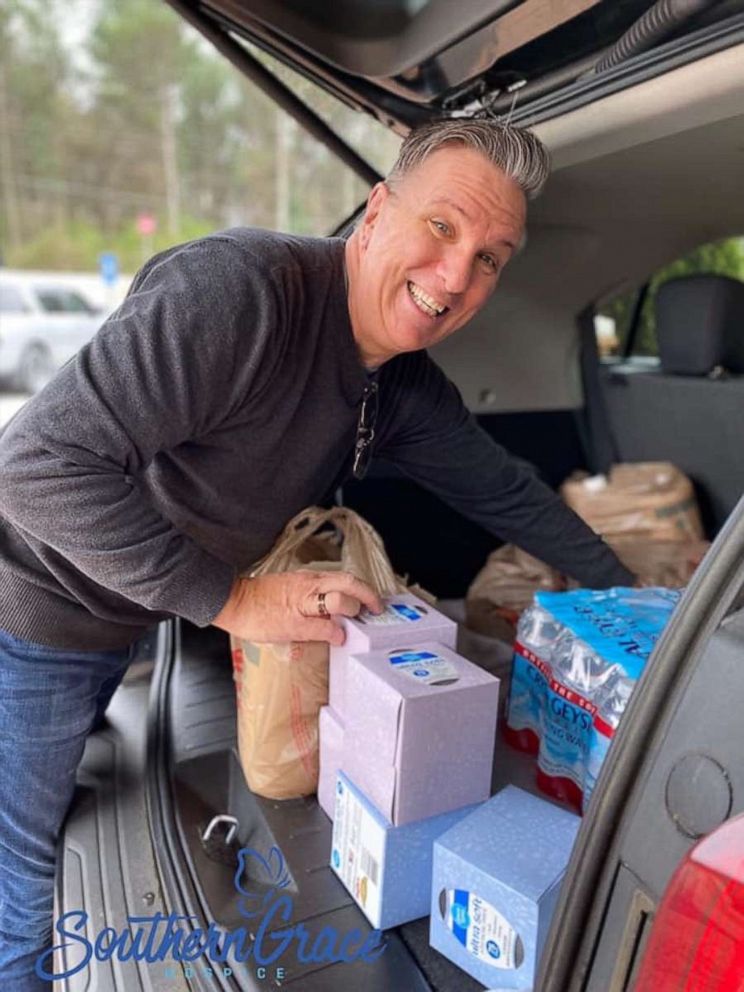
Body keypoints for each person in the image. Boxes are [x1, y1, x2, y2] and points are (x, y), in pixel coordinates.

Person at [0, 119, 634, 989]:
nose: (455, 278)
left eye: (491, 257)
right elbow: (32, 467)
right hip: (33, 614)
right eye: (442, 228)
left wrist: (641, 605)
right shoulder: (241, 295)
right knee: (24, 894)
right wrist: (232, 600)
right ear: (376, 211)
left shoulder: (396, 380)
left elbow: (505, 492)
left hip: (131, 614)